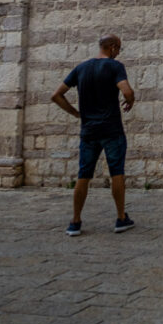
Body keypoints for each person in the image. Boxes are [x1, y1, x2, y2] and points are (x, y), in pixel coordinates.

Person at [51, 33, 136, 236]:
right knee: (117, 172)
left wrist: (76, 114)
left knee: (84, 174)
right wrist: (130, 100)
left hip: (88, 129)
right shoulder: (115, 67)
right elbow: (127, 91)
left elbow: (56, 95)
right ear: (113, 47)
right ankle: (121, 218)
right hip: (111, 129)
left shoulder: (81, 68)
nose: (118, 53)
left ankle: (75, 221)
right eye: (119, 49)